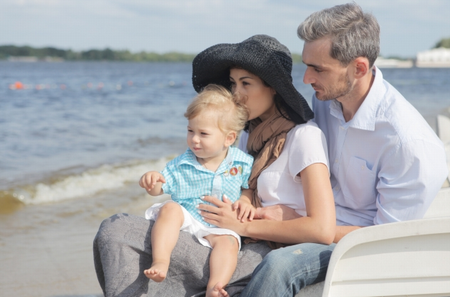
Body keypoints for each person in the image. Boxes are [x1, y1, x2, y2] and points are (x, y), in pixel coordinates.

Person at [205, 3, 447, 296]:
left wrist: (297, 224)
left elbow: (385, 238)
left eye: (317, 68)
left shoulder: (410, 144)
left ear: (358, 68)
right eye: (306, 65)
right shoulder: (324, 99)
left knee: (279, 265)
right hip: (307, 221)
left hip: (352, 244)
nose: (306, 79)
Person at [93, 34, 336, 297]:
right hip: (221, 234)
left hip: (255, 250)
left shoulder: (304, 137)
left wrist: (242, 227)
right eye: (233, 83)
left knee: (118, 231)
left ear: (274, 87)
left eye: (246, 83)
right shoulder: (245, 136)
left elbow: (321, 230)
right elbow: (234, 183)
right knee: (115, 231)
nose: (236, 94)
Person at [138, 84, 255, 297]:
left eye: (203, 133)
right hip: (189, 217)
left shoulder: (242, 162)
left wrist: (245, 202)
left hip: (221, 225)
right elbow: (160, 187)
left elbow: (248, 188)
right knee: (170, 208)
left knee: (229, 243)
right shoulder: (182, 163)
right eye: (190, 131)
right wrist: (152, 181)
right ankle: (161, 261)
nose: (194, 139)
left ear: (229, 138)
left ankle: (215, 286)